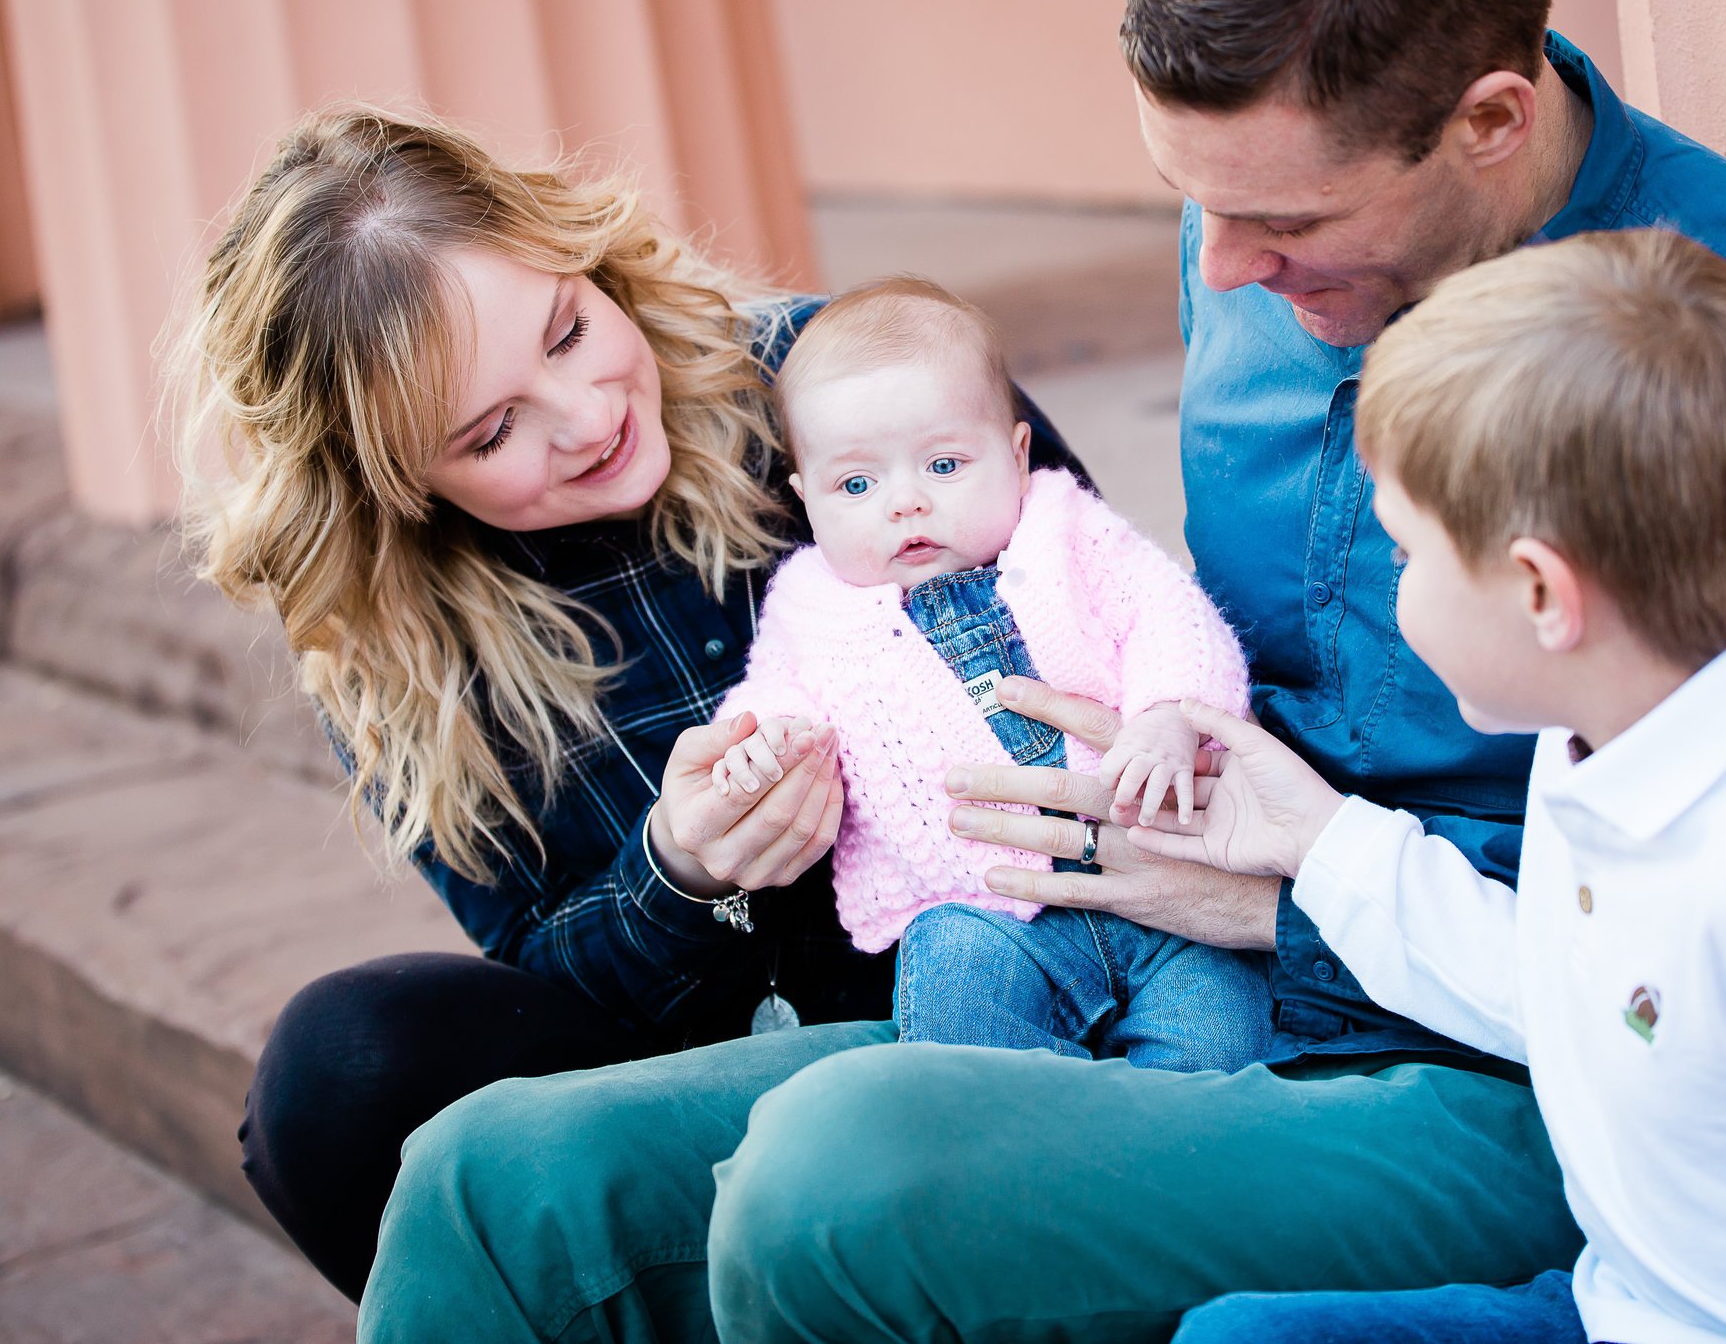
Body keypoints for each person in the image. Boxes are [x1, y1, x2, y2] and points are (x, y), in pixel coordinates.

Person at [356, 0, 1726, 1344]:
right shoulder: (1247, 225)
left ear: (1490, 122)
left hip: (1515, 1069)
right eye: (1186, 201)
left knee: (841, 1172)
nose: (1220, 267)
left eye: (1283, 228)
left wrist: (1293, 898)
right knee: (494, 1184)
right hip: (1145, 943)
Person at [177, 107, 1081, 1297]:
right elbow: (539, 968)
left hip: (989, 983)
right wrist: (679, 873)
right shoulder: (394, 640)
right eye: (494, 430)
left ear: (580, 250)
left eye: (566, 329)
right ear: (394, 485)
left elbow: (1096, 603)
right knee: (336, 1073)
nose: (588, 417)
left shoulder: (835, 391)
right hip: (702, 1061)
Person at [1152, 230, 1726, 1342]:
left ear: (1542, 593)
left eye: (1407, 558)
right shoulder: (1601, 742)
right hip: (1622, 1308)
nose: (1396, 588)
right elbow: (1557, 989)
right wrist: (1318, 841)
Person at [715, 277, 1268, 1071]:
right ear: (807, 500)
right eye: (857, 484)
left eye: (943, 463)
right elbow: (773, 698)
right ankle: (1013, 1144)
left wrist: (1167, 714)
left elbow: (1169, 613)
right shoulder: (809, 609)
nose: (905, 503)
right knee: (955, 1014)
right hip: (979, 909)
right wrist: (758, 744)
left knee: (1219, 1030)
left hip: (1164, 890)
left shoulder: (1067, 534)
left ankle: (1176, 1145)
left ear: (1015, 454)